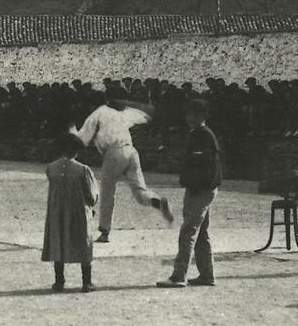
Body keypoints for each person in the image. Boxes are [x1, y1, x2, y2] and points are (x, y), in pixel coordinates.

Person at [69, 87, 174, 244]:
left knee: (108, 193)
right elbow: (143, 115)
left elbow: (82, 139)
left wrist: (70, 128)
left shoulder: (97, 113)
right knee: (140, 191)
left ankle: (104, 232)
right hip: (131, 151)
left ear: (92, 104)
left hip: (114, 154)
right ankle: (156, 201)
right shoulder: (118, 112)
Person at [158, 100, 222, 288]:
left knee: (188, 231)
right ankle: (206, 274)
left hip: (199, 190)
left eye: (192, 114)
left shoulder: (202, 136)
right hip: (202, 189)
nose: (188, 118)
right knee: (201, 233)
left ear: (201, 115)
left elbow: (206, 168)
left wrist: (194, 186)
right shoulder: (201, 134)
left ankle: (179, 275)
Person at [41, 133, 98, 293]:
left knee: (58, 241)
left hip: (57, 211)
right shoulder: (83, 170)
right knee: (84, 243)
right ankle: (86, 282)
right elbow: (92, 196)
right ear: (76, 151)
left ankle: (59, 281)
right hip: (79, 211)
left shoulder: (51, 168)